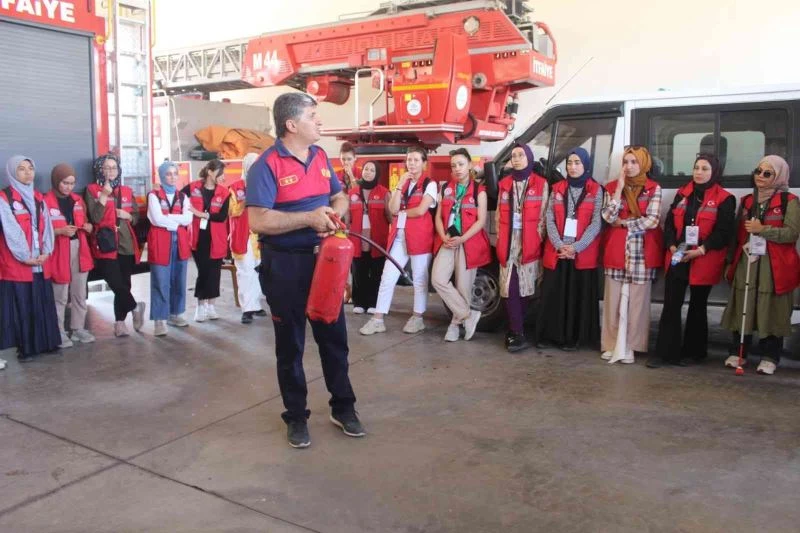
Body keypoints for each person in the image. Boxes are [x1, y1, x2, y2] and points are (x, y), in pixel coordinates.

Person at [247, 92, 363, 448]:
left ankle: (343, 407)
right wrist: (308, 218)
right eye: (314, 115)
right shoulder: (266, 166)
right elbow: (258, 219)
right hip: (285, 266)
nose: (320, 121)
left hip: (324, 262)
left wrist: (336, 212)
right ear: (291, 124)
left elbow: (338, 195)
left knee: (335, 341)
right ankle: (296, 417)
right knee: (291, 345)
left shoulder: (320, 157)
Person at [648, 154, 735, 368]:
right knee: (671, 304)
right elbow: (668, 224)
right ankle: (665, 353)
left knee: (698, 306)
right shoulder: (682, 193)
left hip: (703, 257)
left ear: (714, 172)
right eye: (696, 167)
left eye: (705, 169)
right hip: (678, 255)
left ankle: (693, 352)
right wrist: (670, 245)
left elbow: (724, 232)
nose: (699, 172)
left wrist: (702, 249)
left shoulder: (725, 198)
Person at [720, 155, 800, 375]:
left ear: (779, 176)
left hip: (774, 264)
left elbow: (792, 234)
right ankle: (738, 351)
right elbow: (736, 236)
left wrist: (763, 229)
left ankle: (770, 356)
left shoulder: (789, 201)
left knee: (771, 307)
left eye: (767, 173)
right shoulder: (747, 200)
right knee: (743, 304)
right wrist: (730, 262)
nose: (760, 177)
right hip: (748, 260)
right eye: (758, 171)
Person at [359, 146, 438, 336]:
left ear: (424, 163)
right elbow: (392, 208)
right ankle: (378, 319)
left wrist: (401, 212)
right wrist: (399, 186)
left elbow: (420, 210)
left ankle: (418, 318)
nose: (411, 163)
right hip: (398, 236)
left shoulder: (430, 184)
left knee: (419, 278)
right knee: (388, 276)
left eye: (416, 160)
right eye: (409, 160)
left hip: (419, 236)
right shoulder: (402, 183)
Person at [536, 147, 603, 351]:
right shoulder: (557, 188)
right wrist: (559, 245)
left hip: (581, 254)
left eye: (577, 163)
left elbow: (596, 222)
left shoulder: (596, 189)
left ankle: (573, 338)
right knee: (553, 295)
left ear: (585, 165)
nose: (572, 167)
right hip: (558, 252)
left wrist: (575, 247)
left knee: (576, 297)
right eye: (569, 163)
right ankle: (551, 336)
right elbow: (549, 218)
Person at [600, 146, 663, 364]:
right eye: (626, 162)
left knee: (638, 303)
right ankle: (610, 344)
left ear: (644, 163)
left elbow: (652, 220)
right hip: (616, 249)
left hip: (642, 252)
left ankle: (632, 346)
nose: (629, 166)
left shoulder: (654, 188)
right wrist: (618, 189)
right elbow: (608, 216)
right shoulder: (610, 188)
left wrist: (624, 223)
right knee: (612, 301)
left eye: (634, 162)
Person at [0, 156, 61, 361]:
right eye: (21, 169)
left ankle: (46, 343)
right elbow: (11, 231)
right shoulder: (4, 198)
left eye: (30, 168)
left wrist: (46, 251)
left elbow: (47, 228)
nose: (28, 173)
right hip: (18, 265)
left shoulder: (38, 197)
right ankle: (25, 349)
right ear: (12, 173)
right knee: (23, 307)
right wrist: (25, 257)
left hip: (40, 262)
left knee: (41, 302)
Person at [431, 148, 490, 342]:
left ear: (470, 165)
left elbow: (481, 221)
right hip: (448, 240)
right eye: (453, 165)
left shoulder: (479, 191)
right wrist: (443, 235)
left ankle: (455, 326)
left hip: (468, 242)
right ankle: (468, 314)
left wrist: (462, 238)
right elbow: (439, 217)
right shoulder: (446, 188)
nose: (457, 169)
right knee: (438, 279)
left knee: (463, 287)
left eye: (461, 164)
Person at [85, 153, 146, 337]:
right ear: (99, 170)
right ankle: (136, 307)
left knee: (124, 285)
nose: (111, 171)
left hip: (125, 244)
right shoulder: (92, 190)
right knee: (116, 283)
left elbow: (135, 217)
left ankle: (119, 323)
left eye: (114, 167)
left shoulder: (126, 191)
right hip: (105, 245)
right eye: (107, 167)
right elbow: (94, 218)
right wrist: (104, 195)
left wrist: (128, 216)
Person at [496, 143, 548, 353]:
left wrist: (537, 237)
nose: (516, 159)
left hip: (530, 242)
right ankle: (516, 331)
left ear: (529, 158)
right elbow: (500, 214)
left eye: (521, 155)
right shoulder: (505, 184)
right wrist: (500, 238)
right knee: (510, 287)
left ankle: (516, 327)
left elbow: (543, 215)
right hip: (509, 242)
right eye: (514, 156)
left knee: (527, 289)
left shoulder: (541, 183)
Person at [45, 163, 95, 347]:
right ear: (56, 181)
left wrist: (88, 227)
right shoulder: (45, 201)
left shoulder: (77, 200)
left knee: (79, 293)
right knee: (60, 295)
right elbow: (40, 230)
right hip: (58, 251)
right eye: (65, 182)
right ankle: (59, 332)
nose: (68, 187)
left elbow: (86, 221)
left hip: (79, 249)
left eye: (72, 183)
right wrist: (59, 231)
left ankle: (78, 329)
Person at [147, 161, 193, 336]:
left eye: (175, 173)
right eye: (168, 174)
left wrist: (170, 219)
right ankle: (160, 320)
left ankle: (176, 313)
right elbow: (157, 219)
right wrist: (177, 220)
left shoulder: (183, 197)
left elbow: (188, 218)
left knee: (179, 279)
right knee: (160, 280)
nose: (172, 177)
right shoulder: (154, 196)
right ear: (161, 176)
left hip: (180, 242)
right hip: (160, 242)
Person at [183, 159, 230, 322]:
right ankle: (200, 306)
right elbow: (179, 199)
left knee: (214, 272)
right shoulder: (193, 187)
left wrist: (202, 214)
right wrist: (187, 213)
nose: (223, 176)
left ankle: (211, 306)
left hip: (217, 238)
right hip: (198, 237)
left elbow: (222, 216)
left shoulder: (225, 193)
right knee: (203, 271)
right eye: (220, 172)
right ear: (210, 172)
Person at [229, 153, 268, 324]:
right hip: (242, 234)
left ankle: (256, 304)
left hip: (259, 234)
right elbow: (232, 211)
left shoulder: (264, 185)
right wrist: (248, 198)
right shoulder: (235, 187)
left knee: (258, 270)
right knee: (245, 271)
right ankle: (247, 308)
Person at [348, 160, 391, 314]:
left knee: (376, 272)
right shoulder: (352, 193)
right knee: (358, 271)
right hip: (357, 239)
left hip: (377, 240)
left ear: (376, 174)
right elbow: (347, 218)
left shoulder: (385, 193)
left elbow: (390, 216)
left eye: (372, 170)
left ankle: (374, 303)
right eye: (366, 169)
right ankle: (359, 302)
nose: (368, 172)